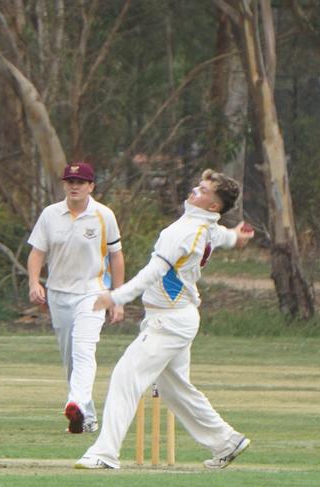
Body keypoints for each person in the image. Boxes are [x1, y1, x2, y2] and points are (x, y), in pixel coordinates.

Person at [75, 168, 254, 469]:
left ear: (214, 207)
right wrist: (236, 237)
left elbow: (153, 273)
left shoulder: (183, 232)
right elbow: (221, 235)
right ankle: (227, 441)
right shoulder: (203, 225)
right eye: (198, 185)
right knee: (174, 389)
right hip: (176, 317)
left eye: (205, 191)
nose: (195, 190)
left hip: (168, 322)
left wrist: (115, 296)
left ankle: (104, 454)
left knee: (125, 377)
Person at [27, 161, 125, 434]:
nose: (74, 186)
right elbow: (37, 252)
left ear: (91, 186)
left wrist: (118, 297)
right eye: (70, 181)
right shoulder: (50, 214)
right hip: (59, 294)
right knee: (71, 358)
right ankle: (87, 417)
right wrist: (34, 282)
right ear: (64, 185)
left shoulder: (104, 215)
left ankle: (76, 403)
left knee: (84, 350)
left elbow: (116, 256)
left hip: (92, 293)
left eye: (80, 182)